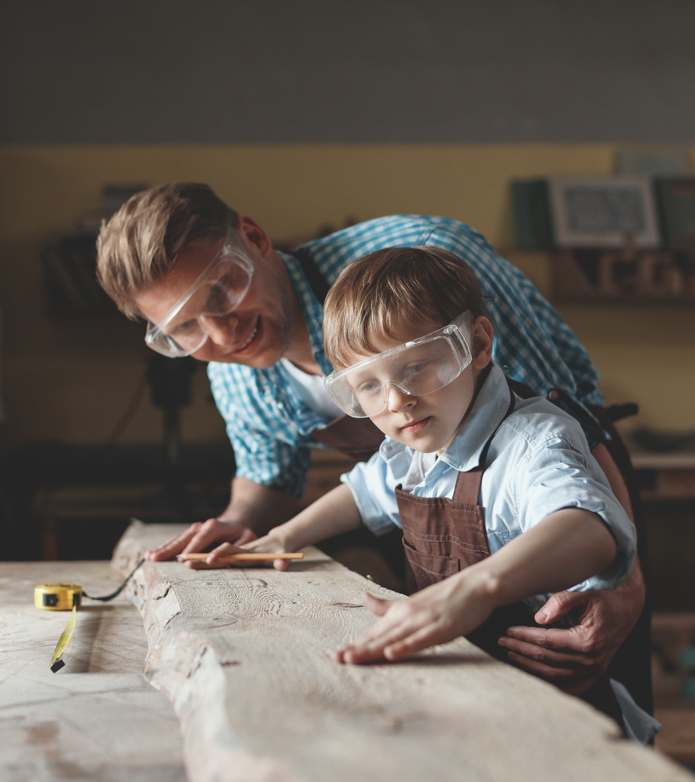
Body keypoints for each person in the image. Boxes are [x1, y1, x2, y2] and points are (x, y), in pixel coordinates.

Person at [95, 182, 650, 713]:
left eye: (221, 290)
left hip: (569, 525)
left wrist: (622, 580)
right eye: (186, 328)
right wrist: (249, 531)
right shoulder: (239, 376)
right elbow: (310, 483)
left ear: (255, 239)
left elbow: (573, 424)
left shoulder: (429, 266)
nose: (219, 333)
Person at [204, 246, 655, 740]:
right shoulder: (418, 444)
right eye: (368, 387)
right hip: (474, 707)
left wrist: (474, 590)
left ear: (478, 344)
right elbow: (364, 492)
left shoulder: (533, 442)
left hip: (560, 718)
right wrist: (282, 536)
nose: (397, 400)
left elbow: (588, 526)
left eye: (416, 368)